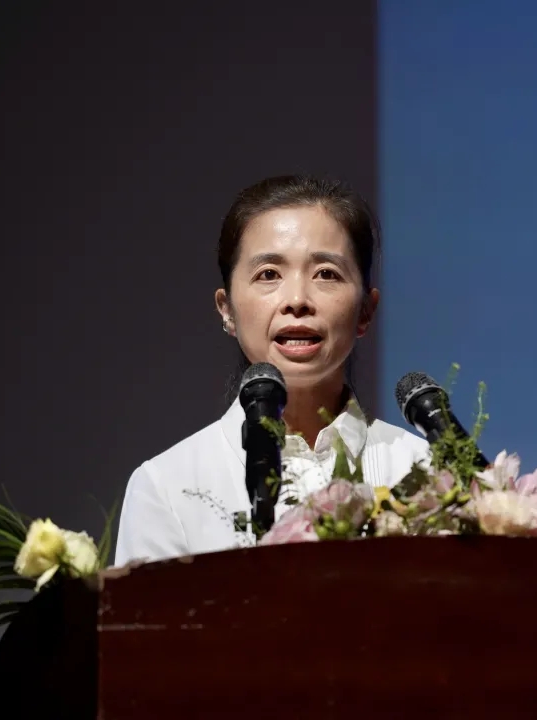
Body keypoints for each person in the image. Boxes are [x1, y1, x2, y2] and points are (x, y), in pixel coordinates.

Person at [113, 175, 431, 565]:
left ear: (366, 310)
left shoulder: (428, 471)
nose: (297, 299)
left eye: (326, 273)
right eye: (268, 274)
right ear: (227, 310)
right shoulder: (167, 487)